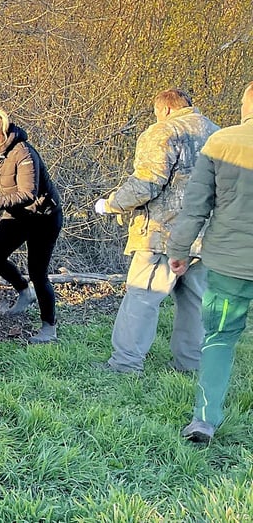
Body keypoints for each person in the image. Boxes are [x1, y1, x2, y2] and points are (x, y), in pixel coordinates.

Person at [93, 89, 219, 374]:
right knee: (196, 304)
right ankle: (191, 365)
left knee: (142, 296)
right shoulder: (217, 134)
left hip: (163, 235)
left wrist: (111, 204)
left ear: (164, 110)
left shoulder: (165, 131)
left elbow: (147, 182)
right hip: (206, 236)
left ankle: (125, 365)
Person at [167, 81, 253, 443]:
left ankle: (204, 419)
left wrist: (179, 249)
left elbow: (196, 204)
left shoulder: (222, 142)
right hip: (230, 257)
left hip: (229, 259)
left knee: (219, 337)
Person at [0, 110, 63, 343]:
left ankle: (48, 328)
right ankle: (24, 291)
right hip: (17, 213)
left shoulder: (24, 153)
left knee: (38, 273)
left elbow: (28, 193)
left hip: (43, 216)